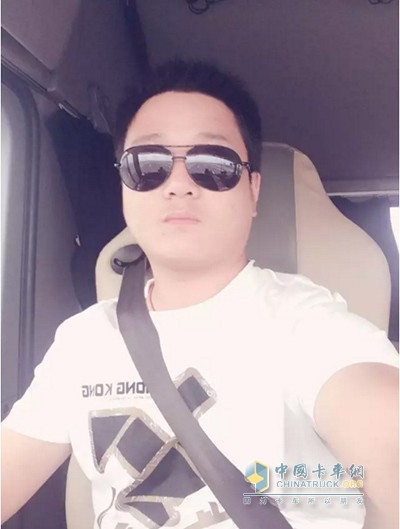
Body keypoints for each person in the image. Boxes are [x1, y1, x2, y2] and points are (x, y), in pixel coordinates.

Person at [1, 60, 398, 529]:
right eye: (148, 165)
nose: (179, 185)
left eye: (213, 166)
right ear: (124, 186)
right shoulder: (82, 342)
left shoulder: (307, 323)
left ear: (252, 191)